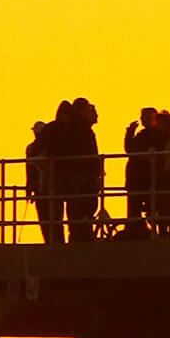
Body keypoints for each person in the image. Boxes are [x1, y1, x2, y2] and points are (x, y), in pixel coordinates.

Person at [63, 98, 103, 241]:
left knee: (80, 209)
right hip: (83, 178)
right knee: (83, 208)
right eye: (89, 110)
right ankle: (82, 235)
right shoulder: (81, 131)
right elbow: (86, 154)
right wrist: (92, 174)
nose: (94, 114)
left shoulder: (77, 130)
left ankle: (80, 234)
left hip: (81, 177)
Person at [123, 107, 167, 232]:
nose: (145, 120)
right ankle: (135, 229)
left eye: (148, 117)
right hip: (137, 178)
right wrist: (129, 133)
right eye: (144, 118)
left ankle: (148, 231)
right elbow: (130, 150)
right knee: (135, 206)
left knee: (151, 206)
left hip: (149, 178)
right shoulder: (142, 135)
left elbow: (132, 150)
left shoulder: (158, 136)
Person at [24, 120, 53, 243]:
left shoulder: (40, 148)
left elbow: (29, 170)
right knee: (47, 218)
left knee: (48, 218)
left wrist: (29, 187)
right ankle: (51, 241)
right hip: (45, 189)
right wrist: (29, 187)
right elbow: (29, 170)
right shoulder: (37, 149)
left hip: (48, 188)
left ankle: (51, 241)